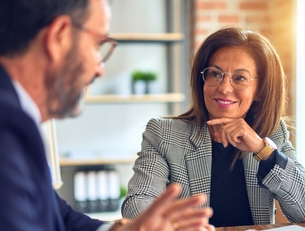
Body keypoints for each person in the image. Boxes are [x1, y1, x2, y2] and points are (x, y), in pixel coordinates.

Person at [0, 0, 215, 231]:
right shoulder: (8, 126)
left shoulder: (18, 117)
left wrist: (124, 230)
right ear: (59, 36)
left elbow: (57, 215)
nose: (100, 68)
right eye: (97, 45)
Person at [121, 26, 305, 227]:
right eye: (215, 74)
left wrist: (263, 151)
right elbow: (136, 206)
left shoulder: (272, 134)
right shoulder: (163, 134)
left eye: (240, 78)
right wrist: (175, 225)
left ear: (259, 90)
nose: (225, 87)